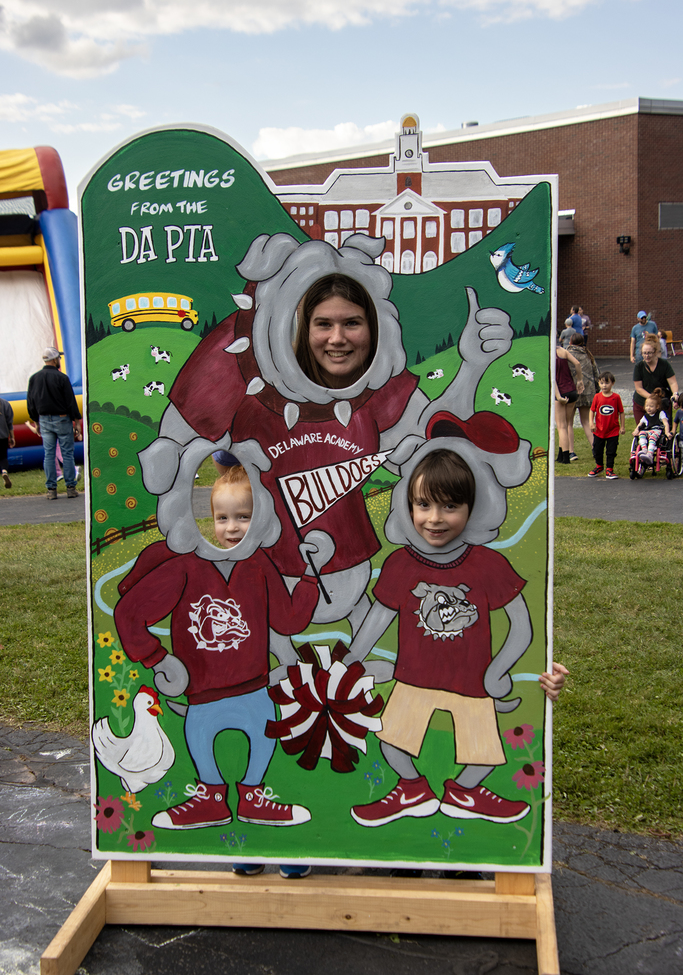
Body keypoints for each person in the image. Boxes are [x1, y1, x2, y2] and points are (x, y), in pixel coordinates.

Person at [113, 465, 320, 877]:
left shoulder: (259, 565)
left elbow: (290, 619)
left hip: (254, 686)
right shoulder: (186, 566)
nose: (232, 527)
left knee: (263, 739)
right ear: (206, 520)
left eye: (243, 516)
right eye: (223, 517)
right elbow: (129, 613)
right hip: (203, 689)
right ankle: (211, 797)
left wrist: (312, 577)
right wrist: (158, 658)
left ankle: (256, 802)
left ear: (260, 516)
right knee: (201, 737)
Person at [345, 449, 566, 828]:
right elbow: (377, 619)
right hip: (414, 678)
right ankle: (412, 789)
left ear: (472, 507)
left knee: (482, 752)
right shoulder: (400, 564)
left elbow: (523, 627)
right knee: (392, 740)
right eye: (424, 505)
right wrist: (350, 661)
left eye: (450, 506)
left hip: (473, 683)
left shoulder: (488, 565)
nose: (435, 518)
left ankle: (464, 793)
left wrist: (502, 670)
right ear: (408, 505)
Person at [26, 347, 82, 499]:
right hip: (62, 419)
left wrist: (36, 422)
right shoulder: (62, 378)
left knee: (49, 455)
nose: (60, 361)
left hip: (44, 420)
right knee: (67, 454)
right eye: (59, 358)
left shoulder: (34, 378)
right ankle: (70, 488)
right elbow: (70, 401)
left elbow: (31, 402)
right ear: (54, 359)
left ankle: (51, 490)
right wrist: (76, 422)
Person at [566, 334, 600, 460]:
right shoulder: (587, 354)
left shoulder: (567, 354)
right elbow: (596, 373)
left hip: (572, 391)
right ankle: (595, 448)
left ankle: (571, 452)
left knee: (568, 423)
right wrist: (597, 391)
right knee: (586, 422)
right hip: (587, 392)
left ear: (570, 341)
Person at [632, 336, 678, 425]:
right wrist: (653, 399)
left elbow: (673, 382)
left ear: (655, 352)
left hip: (662, 403)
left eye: (649, 353)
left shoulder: (664, 364)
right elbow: (639, 389)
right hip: (643, 403)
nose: (646, 356)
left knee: (664, 430)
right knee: (643, 430)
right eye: (644, 353)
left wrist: (675, 393)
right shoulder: (639, 367)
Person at [588, 372, 625, 478]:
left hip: (612, 430)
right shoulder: (597, 397)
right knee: (597, 449)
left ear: (612, 383)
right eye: (602, 383)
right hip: (599, 430)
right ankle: (599, 466)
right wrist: (591, 423)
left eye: (607, 383)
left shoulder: (616, 397)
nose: (604, 385)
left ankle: (610, 469)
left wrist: (622, 427)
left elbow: (621, 412)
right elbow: (592, 411)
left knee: (611, 450)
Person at [555, 346, 584, 464]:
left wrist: (558, 396)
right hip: (571, 390)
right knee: (566, 424)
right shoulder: (562, 351)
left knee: (561, 426)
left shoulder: (548, 355)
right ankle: (561, 455)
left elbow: (552, 379)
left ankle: (566, 457)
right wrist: (580, 380)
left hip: (560, 392)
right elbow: (577, 363)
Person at [632, 389, 670, 468]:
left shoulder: (661, 413)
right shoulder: (645, 416)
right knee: (641, 433)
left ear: (657, 407)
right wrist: (636, 430)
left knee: (652, 437)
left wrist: (667, 432)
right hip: (648, 430)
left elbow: (666, 423)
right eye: (647, 406)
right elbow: (640, 424)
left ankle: (650, 454)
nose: (648, 408)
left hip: (657, 430)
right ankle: (644, 449)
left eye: (651, 406)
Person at [0, 394, 14, 489]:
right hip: (3, 436)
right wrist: (12, 437)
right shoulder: (5, 403)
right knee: (3, 457)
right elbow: (10, 422)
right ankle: (4, 471)